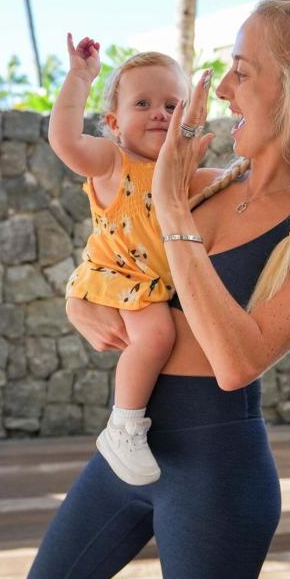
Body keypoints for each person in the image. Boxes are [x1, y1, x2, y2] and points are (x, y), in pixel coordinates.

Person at [6, 0, 290, 579]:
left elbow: (237, 359)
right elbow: (118, 253)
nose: (224, 88)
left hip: (218, 472)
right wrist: (81, 298)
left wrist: (175, 214)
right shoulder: (208, 187)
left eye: (241, 70)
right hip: (132, 449)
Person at [51, 37, 195, 485]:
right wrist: (80, 78)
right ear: (114, 122)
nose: (160, 113)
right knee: (155, 336)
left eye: (173, 106)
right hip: (119, 274)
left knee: (157, 333)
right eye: (144, 103)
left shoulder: (179, 168)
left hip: (151, 279)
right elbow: (66, 141)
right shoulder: (114, 160)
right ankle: (124, 426)